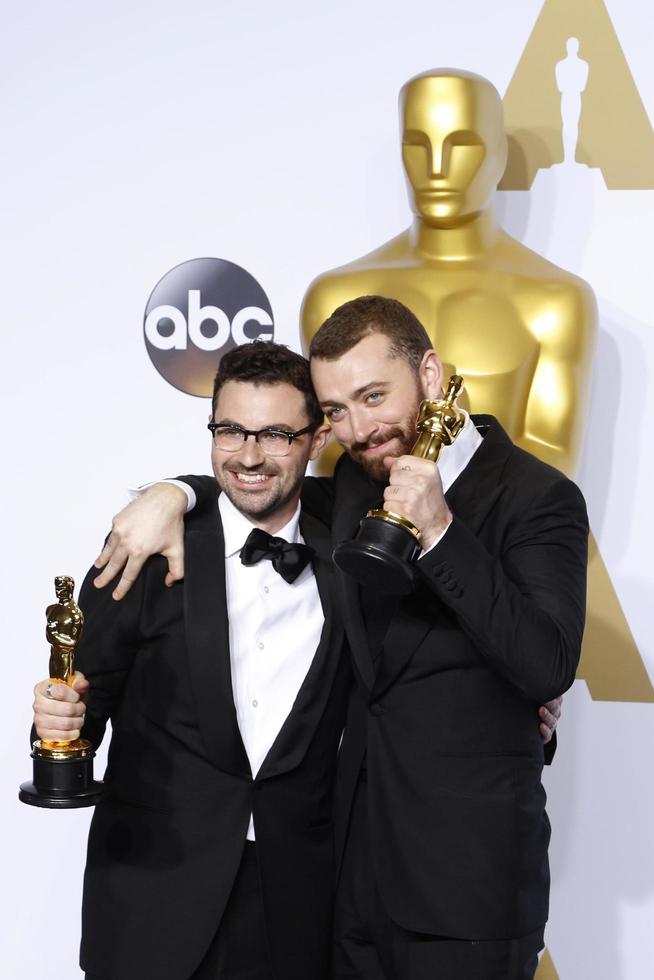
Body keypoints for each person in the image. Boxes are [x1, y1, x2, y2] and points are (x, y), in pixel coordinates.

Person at [92, 297, 581, 979]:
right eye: (337, 411)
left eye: (374, 396)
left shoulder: (537, 496)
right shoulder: (356, 480)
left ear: (432, 376)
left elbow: (547, 661)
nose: (360, 428)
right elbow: (261, 483)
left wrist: (440, 532)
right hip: (348, 891)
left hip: (466, 894)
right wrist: (171, 491)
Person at [31, 342, 351, 980]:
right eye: (230, 430)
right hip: (154, 898)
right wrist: (60, 726)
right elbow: (79, 695)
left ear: (316, 441)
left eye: (276, 435)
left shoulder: (349, 547)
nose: (249, 456)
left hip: (296, 910)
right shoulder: (144, 548)